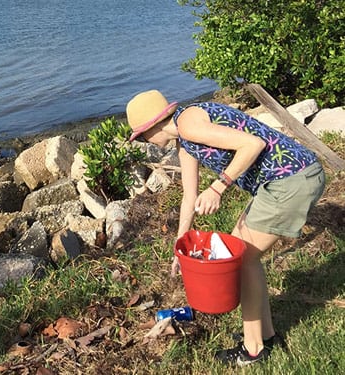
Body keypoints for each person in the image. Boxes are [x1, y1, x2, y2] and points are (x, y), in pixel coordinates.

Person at [126, 89, 325, 366]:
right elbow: (189, 197)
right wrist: (180, 245)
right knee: (243, 256)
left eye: (142, 136)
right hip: (286, 179)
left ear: (153, 126)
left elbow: (252, 144)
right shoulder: (186, 140)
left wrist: (218, 187)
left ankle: (253, 350)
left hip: (291, 179)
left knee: (239, 258)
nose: (146, 142)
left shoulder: (189, 124)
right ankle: (264, 336)